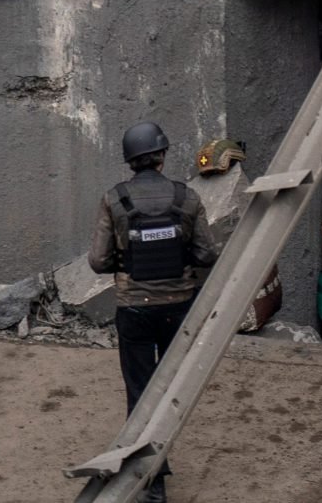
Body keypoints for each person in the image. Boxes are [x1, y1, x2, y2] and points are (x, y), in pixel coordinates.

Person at [88, 122, 219, 503]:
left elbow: (98, 261)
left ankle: (152, 481)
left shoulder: (114, 199)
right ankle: (158, 463)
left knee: (140, 393)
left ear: (130, 160)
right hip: (179, 308)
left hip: (134, 310)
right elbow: (206, 254)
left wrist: (126, 259)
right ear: (162, 155)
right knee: (172, 393)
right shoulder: (187, 197)